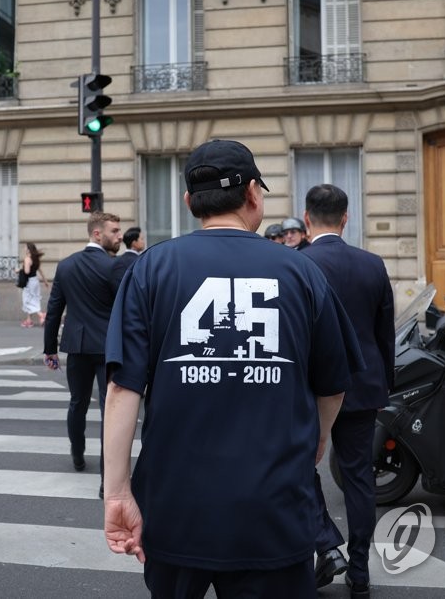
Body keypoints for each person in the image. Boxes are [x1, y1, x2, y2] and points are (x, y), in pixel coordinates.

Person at [102, 139, 362, 598]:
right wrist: (318, 439)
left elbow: (123, 390)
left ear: (188, 202)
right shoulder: (300, 271)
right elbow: (333, 386)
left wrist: (118, 493)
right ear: (253, 195)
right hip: (275, 510)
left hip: (176, 508)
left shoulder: (151, 268)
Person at [302, 184, 394, 598]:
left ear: (307, 219)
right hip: (362, 384)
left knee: (303, 470)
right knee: (359, 478)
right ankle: (360, 571)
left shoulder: (297, 264)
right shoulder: (372, 265)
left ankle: (324, 545)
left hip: (310, 387)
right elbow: (384, 334)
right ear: (346, 218)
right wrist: (383, 382)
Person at [43, 211, 123, 478]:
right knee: (108, 411)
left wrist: (49, 349)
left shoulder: (66, 265)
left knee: (77, 402)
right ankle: (106, 478)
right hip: (107, 349)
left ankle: (77, 454)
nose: (120, 236)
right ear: (97, 233)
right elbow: (126, 311)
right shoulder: (113, 267)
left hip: (76, 346)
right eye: (114, 231)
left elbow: (54, 310)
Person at [18, 242, 49, 328]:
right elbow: (40, 270)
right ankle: (29, 320)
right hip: (35, 281)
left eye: (25, 247)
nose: (24, 249)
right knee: (34, 299)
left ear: (28, 249)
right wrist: (45, 281)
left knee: (27, 300)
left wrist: (20, 270)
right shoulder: (35, 258)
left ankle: (41, 315)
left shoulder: (27, 259)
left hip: (29, 282)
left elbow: (27, 272)